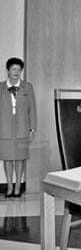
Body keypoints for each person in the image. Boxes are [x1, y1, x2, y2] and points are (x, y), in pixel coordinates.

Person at [0, 58, 36, 198]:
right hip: (4, 128)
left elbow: (32, 108)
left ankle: (18, 187)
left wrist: (32, 129)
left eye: (19, 70)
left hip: (22, 127)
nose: (16, 72)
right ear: (8, 70)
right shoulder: (0, 87)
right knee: (7, 158)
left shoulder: (28, 87)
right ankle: (9, 186)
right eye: (13, 69)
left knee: (20, 158)